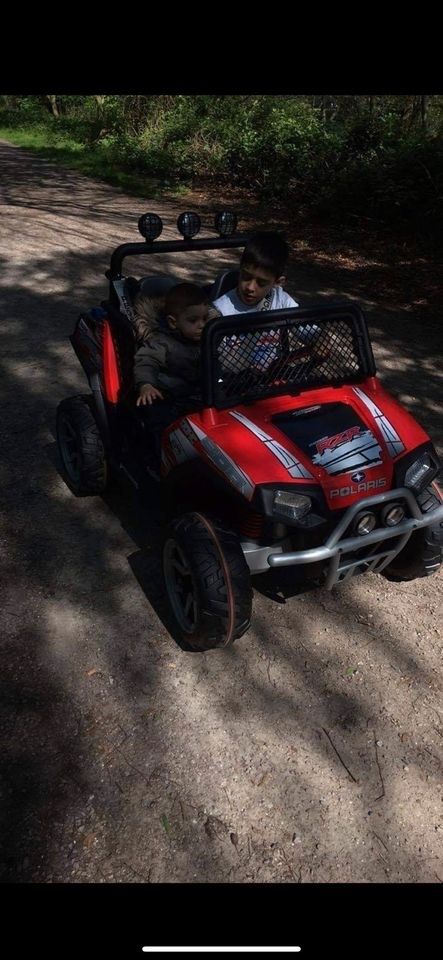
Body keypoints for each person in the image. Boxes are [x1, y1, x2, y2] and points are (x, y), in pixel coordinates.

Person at [133, 282, 210, 469]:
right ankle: (159, 458)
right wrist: (146, 385)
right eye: (193, 321)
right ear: (173, 322)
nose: (201, 326)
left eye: (205, 319)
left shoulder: (209, 338)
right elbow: (146, 361)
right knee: (158, 417)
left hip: (202, 394)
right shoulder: (162, 342)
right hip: (169, 395)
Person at [212, 230, 298, 315]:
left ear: (277, 282)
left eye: (261, 283)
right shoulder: (221, 311)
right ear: (240, 269)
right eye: (246, 277)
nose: (250, 288)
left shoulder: (282, 301)